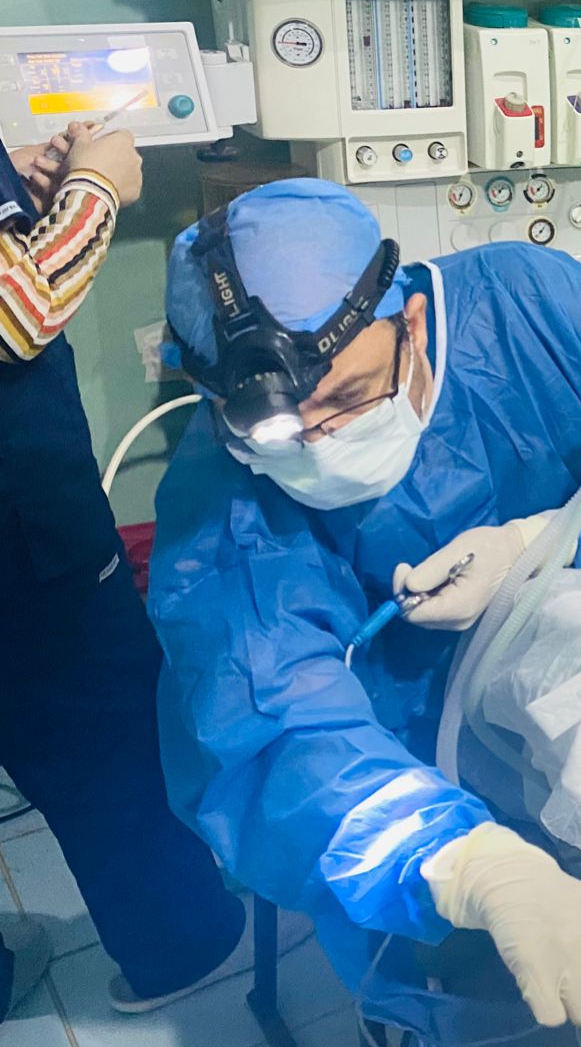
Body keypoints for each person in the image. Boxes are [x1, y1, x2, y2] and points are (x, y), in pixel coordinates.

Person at [149, 178, 581, 1045]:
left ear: (409, 322)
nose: (322, 445)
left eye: (349, 399)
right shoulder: (224, 503)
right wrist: (471, 866)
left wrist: (542, 544)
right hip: (404, 757)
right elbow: (278, 732)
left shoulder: (535, 312)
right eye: (281, 430)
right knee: (493, 992)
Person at [0, 122, 268, 1023]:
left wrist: (21, 196)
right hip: (22, 534)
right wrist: (98, 188)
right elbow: (15, 316)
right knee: (102, 727)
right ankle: (182, 943)